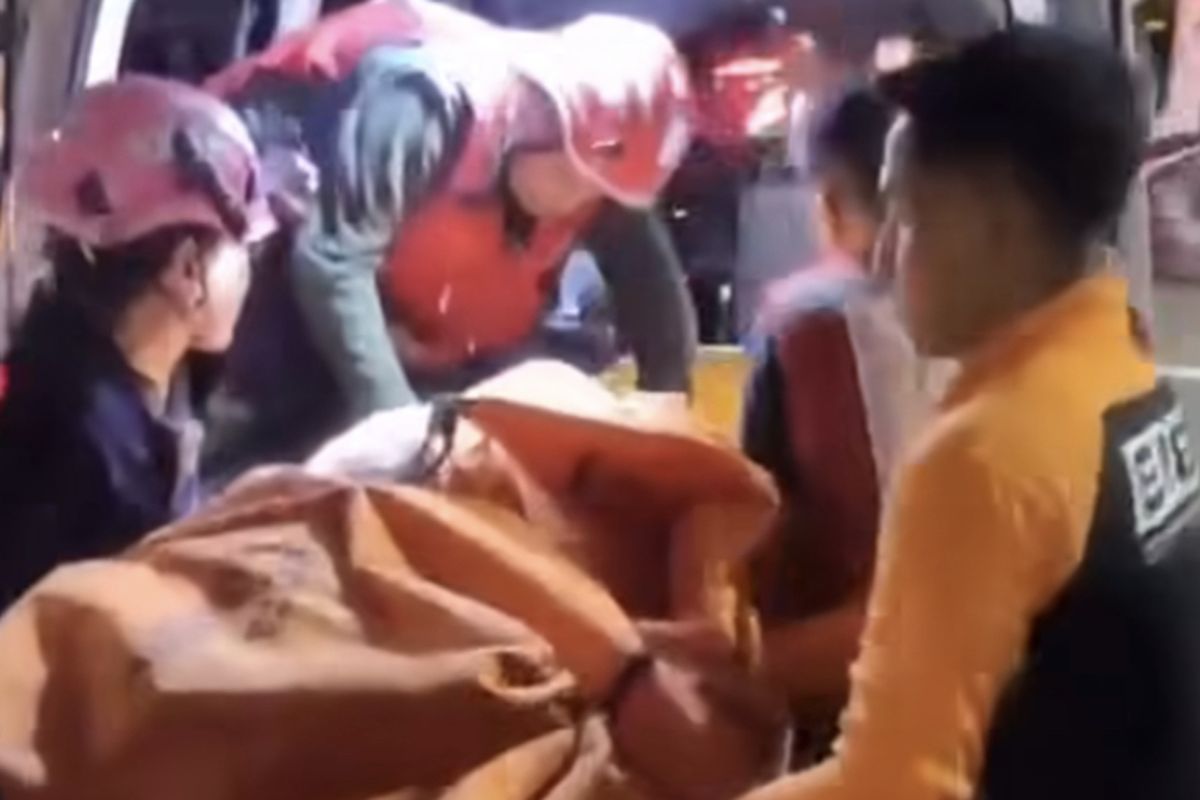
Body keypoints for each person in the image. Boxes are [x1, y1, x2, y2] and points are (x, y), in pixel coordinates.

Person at [740, 25, 1200, 800]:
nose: (884, 256)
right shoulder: (1122, 378)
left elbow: (890, 786)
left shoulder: (988, 453)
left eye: (908, 214)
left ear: (995, 226)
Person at [200, 0, 698, 480]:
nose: (582, 204)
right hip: (285, 201)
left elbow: (655, 300)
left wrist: (665, 423)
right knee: (293, 410)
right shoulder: (423, 102)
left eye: (600, 192)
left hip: (402, 263)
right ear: (541, 116)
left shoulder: (595, 167)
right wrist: (403, 436)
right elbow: (331, 263)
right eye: (575, 181)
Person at [0, 76, 272, 610]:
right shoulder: (110, 478)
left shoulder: (51, 353)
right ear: (188, 271)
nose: (250, 270)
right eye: (244, 251)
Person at [739, 84, 917, 733]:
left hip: (860, 672)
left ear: (830, 204)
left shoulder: (809, 324)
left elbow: (751, 513)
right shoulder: (1039, 311)